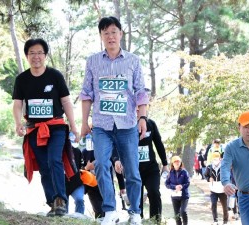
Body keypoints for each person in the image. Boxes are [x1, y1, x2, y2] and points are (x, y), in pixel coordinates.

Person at [79, 16, 149, 225]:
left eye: (113, 31)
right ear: (101, 36)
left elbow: (141, 92)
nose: (110, 36)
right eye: (105, 32)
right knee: (101, 165)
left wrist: (142, 117)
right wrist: (84, 122)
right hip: (101, 125)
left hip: (127, 124)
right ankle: (109, 211)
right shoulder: (92, 61)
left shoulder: (133, 61)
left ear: (121, 34)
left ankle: (135, 212)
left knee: (132, 170)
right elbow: (86, 93)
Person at [12, 38, 79, 217]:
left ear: (45, 55)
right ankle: (52, 202)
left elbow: (65, 101)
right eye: (32, 53)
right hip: (34, 129)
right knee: (43, 166)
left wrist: (73, 126)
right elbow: (18, 104)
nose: (36, 56)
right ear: (27, 56)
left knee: (54, 159)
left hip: (56, 126)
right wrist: (18, 123)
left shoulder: (55, 76)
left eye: (40, 52)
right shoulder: (22, 79)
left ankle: (60, 199)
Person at [114, 118, 169, 222]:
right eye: (136, 108)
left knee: (154, 192)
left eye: (141, 108)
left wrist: (165, 164)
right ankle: (138, 220)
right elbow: (116, 143)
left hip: (150, 168)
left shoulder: (151, 124)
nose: (138, 110)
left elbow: (158, 143)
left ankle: (155, 221)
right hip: (133, 169)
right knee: (137, 199)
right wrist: (117, 159)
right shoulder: (125, 123)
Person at [205, 152, 229, 225]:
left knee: (225, 206)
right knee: (213, 204)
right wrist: (209, 179)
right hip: (213, 189)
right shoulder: (209, 167)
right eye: (214, 158)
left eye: (217, 158)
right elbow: (206, 175)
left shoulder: (223, 166)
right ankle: (215, 220)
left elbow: (228, 175)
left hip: (222, 189)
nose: (216, 160)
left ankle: (225, 221)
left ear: (220, 158)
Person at [165, 156, 190, 225]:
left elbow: (188, 183)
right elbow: (166, 183)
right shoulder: (171, 172)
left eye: (178, 161)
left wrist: (181, 186)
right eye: (175, 161)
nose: (177, 163)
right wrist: (174, 187)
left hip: (184, 196)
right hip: (174, 196)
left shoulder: (184, 172)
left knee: (183, 211)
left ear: (180, 162)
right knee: (177, 214)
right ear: (172, 163)